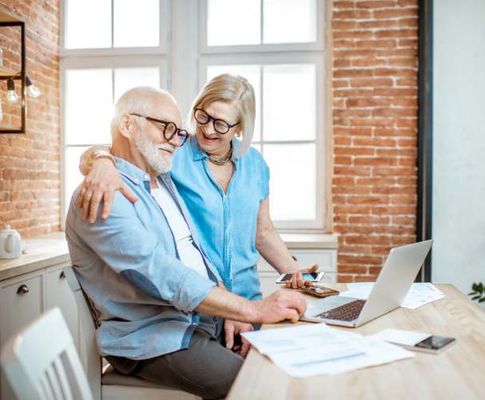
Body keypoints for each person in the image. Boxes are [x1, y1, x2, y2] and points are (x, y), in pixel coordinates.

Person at [66, 86, 307, 399]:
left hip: (201, 317)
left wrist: (233, 310)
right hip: (156, 335)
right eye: (166, 127)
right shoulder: (105, 194)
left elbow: (198, 257)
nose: (176, 139)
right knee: (262, 385)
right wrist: (252, 310)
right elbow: (162, 274)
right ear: (127, 125)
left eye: (178, 131)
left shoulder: (162, 180)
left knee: (294, 358)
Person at [78, 74, 318, 300]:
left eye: (221, 124)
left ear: (240, 127)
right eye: (204, 116)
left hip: (249, 298)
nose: (208, 129)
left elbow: (263, 232)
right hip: (199, 302)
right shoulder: (174, 150)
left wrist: (295, 272)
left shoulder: (255, 164)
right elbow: (118, 148)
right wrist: (102, 162)